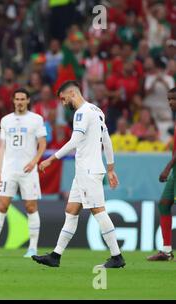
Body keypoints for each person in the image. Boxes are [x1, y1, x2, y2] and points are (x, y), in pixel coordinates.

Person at [33, 80, 126, 268]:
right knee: (71, 211)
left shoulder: (81, 113)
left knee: (98, 211)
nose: (62, 103)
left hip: (88, 171)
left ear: (72, 93)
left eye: (63, 98)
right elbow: (106, 140)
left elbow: (74, 140)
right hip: (87, 171)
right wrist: (110, 168)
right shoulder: (97, 111)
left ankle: (117, 256)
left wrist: (52, 159)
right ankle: (56, 255)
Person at [0, 88, 47, 258]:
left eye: (23, 99)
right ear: (13, 101)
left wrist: (34, 161)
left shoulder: (36, 119)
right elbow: (2, 147)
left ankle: (33, 248)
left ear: (28, 101)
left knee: (31, 207)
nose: (20, 102)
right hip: (9, 170)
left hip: (29, 171)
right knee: (2, 205)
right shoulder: (6, 120)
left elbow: (42, 143)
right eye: (17, 99)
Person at [147, 87, 176, 261]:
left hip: (172, 168)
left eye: (173, 99)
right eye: (169, 99)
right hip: (175, 171)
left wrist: (167, 167)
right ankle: (166, 251)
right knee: (164, 204)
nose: (170, 103)